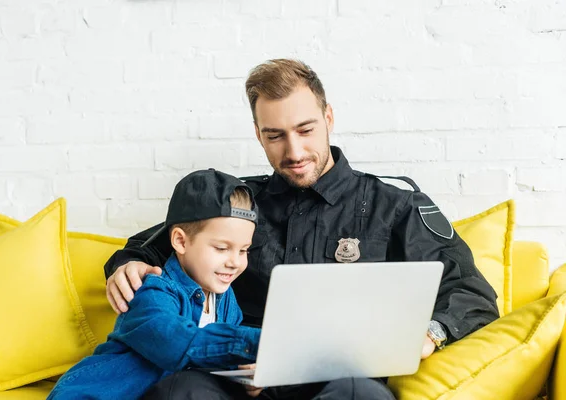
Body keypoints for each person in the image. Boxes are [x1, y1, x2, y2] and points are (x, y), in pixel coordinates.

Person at [104, 59, 500, 400]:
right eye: (275, 136)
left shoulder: (394, 206)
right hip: (233, 381)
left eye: (305, 130)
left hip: (337, 382)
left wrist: (431, 334)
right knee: (179, 391)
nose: (292, 152)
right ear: (259, 135)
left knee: (359, 395)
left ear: (328, 118)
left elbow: (471, 292)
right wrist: (129, 263)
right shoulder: (238, 202)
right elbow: (161, 243)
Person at [48, 169, 262, 400]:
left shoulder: (226, 301)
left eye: (243, 250)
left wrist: (245, 374)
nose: (235, 262)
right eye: (221, 248)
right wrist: (260, 343)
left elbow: (207, 366)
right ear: (180, 241)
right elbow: (176, 344)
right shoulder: (153, 291)